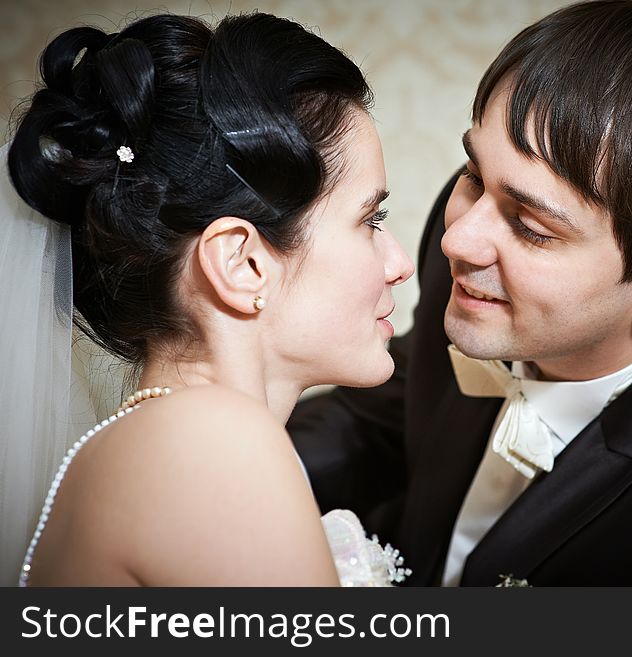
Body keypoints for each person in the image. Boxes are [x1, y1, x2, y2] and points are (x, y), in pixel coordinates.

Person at [289, 0, 632, 585]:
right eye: (475, 175)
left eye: (532, 228)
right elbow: (406, 393)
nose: (460, 239)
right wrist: (240, 460)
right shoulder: (473, 239)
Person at [0, 12, 414, 586]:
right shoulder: (211, 443)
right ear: (240, 265)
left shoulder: (173, 440)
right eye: (371, 220)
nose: (400, 264)